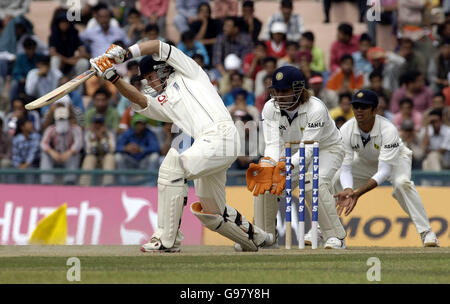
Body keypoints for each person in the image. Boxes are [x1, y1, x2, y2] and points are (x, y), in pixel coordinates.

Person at [89, 39, 272, 252]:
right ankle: (258, 238)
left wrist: (126, 54)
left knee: (172, 166)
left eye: (149, 77)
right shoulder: (163, 100)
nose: (148, 83)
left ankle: (167, 239)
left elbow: (157, 45)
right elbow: (141, 101)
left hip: (221, 134)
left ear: (161, 69)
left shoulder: (188, 71)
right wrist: (113, 77)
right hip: (209, 143)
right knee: (211, 213)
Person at [245, 65, 347, 249]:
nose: (279, 96)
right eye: (276, 90)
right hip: (290, 150)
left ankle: (335, 237)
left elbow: (308, 150)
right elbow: (273, 144)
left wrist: (285, 166)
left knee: (313, 181)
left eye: (284, 90)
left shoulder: (316, 108)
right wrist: (269, 165)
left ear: (298, 89)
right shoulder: (269, 108)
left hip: (326, 148)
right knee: (266, 183)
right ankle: (266, 237)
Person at [333, 89, 439, 247]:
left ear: (375, 110)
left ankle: (427, 233)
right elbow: (346, 168)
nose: (359, 111)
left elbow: (384, 171)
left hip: (396, 161)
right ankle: (334, 235)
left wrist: (357, 193)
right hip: (366, 160)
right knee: (335, 180)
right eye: (356, 107)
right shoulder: (346, 130)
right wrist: (348, 188)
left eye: (364, 107)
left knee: (402, 184)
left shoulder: (388, 129)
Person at [40, 105, 83, 185]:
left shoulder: (75, 129)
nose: (62, 121)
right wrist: (51, 152)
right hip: (55, 156)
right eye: (60, 119)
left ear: (68, 119)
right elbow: (43, 143)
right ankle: (46, 182)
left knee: (75, 154)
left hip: (68, 156)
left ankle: (69, 182)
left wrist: (69, 152)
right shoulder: (51, 129)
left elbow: (79, 143)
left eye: (64, 119)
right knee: (45, 154)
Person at [115, 114, 160, 184]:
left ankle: (150, 184)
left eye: (142, 124)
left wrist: (142, 149)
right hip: (131, 160)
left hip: (144, 160)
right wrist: (126, 148)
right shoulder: (128, 133)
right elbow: (117, 147)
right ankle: (123, 183)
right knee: (118, 156)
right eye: (138, 124)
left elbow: (156, 148)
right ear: (133, 124)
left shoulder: (149, 133)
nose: (140, 126)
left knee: (155, 156)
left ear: (145, 125)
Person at [80, 114, 116, 186]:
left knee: (110, 157)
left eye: (100, 123)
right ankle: (84, 186)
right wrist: (95, 139)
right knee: (89, 158)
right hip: (93, 157)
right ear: (92, 124)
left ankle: (107, 185)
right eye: (96, 123)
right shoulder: (88, 133)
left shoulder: (110, 133)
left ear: (104, 124)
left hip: (105, 158)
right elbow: (88, 151)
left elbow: (111, 149)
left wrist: (102, 138)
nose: (98, 125)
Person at [11, 117, 40, 184]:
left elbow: (33, 153)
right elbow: (15, 155)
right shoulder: (17, 139)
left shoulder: (36, 136)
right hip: (20, 165)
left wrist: (25, 165)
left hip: (33, 164)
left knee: (29, 170)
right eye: (28, 123)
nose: (31, 125)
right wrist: (18, 165)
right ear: (22, 127)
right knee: (12, 170)